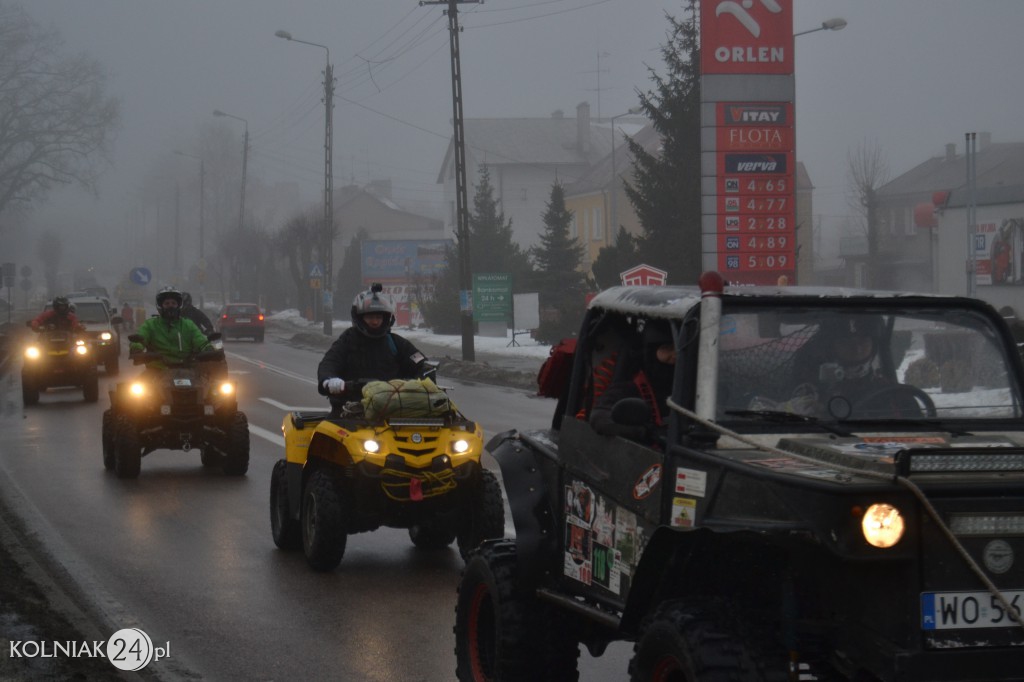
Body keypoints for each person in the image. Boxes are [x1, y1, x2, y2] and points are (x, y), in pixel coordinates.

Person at [317, 283, 427, 416]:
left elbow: (422, 364)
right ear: (359, 318)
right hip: (350, 412)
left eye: (378, 317)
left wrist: (420, 381)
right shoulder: (347, 340)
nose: (375, 322)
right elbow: (330, 362)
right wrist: (329, 380)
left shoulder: (396, 343)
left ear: (386, 318)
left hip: (392, 412)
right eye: (369, 317)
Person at [589, 320, 676, 442]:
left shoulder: (696, 387)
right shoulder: (630, 388)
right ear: (651, 351)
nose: (674, 355)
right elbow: (599, 418)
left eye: (678, 349)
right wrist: (646, 432)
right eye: (667, 348)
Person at [129, 287, 211, 368]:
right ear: (160, 306)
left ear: (179, 306)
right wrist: (136, 348)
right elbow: (141, 336)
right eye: (167, 303)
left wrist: (209, 349)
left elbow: (200, 341)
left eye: (173, 303)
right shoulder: (150, 325)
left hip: (187, 370)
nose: (170, 306)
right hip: (156, 371)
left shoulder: (188, 325)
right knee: (136, 378)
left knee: (212, 375)